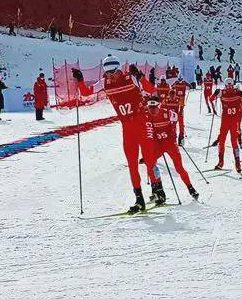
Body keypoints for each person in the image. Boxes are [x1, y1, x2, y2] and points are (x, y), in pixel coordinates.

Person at [73, 55, 164, 213]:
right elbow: (86, 92)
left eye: (113, 72)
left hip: (143, 124)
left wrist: (140, 77)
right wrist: (80, 80)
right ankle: (139, 199)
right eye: (107, 73)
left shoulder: (131, 78)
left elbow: (150, 89)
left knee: (150, 161)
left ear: (119, 69)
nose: (111, 76)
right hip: (127, 128)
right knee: (132, 164)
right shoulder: (105, 82)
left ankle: (159, 191)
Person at [143, 95, 199, 200]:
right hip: (158, 145)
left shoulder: (167, 113)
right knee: (150, 163)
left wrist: (176, 133)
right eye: (150, 108)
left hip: (170, 144)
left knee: (179, 168)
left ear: (158, 106)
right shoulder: (146, 116)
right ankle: (156, 190)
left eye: (154, 107)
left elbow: (178, 118)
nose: (152, 110)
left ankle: (191, 188)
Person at [212, 79, 242, 173]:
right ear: (225, 85)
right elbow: (211, 99)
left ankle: (237, 163)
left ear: (233, 85)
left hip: (234, 122)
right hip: (225, 121)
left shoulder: (237, 92)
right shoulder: (222, 92)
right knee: (222, 141)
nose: (229, 87)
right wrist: (215, 93)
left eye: (231, 85)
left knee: (234, 142)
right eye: (227, 86)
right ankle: (220, 162)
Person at [172, 76, 189, 145]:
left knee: (181, 111)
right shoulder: (176, 82)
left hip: (182, 97)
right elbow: (172, 85)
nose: (180, 81)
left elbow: (189, 85)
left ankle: (180, 138)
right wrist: (173, 87)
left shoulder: (184, 83)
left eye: (181, 80)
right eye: (179, 80)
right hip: (177, 97)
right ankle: (174, 136)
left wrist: (192, 85)